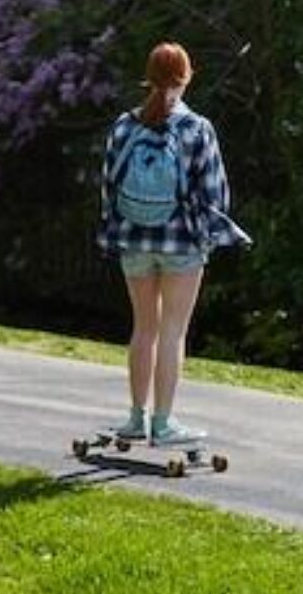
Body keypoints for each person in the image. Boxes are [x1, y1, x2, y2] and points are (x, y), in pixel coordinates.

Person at [96, 41, 250, 446]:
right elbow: (215, 196)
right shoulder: (197, 128)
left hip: (133, 243)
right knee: (172, 333)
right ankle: (163, 424)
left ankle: (134, 418)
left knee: (143, 329)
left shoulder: (124, 126)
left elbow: (108, 186)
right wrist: (206, 236)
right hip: (181, 244)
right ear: (187, 77)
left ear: (148, 76)